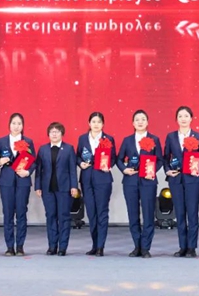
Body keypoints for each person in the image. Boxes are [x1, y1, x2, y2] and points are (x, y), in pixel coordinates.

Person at [116, 109, 163, 258]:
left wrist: (151, 171)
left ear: (147, 122)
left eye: (143, 119)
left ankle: (145, 247)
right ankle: (137, 246)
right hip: (130, 181)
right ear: (133, 123)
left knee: (148, 214)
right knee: (133, 214)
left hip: (148, 181)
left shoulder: (154, 139)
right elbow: (119, 159)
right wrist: (124, 169)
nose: (140, 122)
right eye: (137, 120)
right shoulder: (127, 140)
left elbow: (160, 160)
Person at [163, 106, 199, 257]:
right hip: (175, 179)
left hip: (192, 180)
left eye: (186, 116)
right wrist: (168, 170)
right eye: (180, 116)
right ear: (176, 119)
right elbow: (165, 157)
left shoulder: (198, 136)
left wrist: (197, 168)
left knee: (192, 213)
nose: (183, 119)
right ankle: (182, 246)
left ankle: (192, 247)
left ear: (191, 118)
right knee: (180, 213)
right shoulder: (171, 136)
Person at [0, 113, 36, 256]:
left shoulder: (28, 141)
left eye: (19, 124)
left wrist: (28, 172)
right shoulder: (2, 141)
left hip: (23, 181)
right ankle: (9, 247)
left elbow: (34, 161)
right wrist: (0, 162)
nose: (16, 126)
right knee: (8, 213)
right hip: (6, 182)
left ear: (23, 126)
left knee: (22, 213)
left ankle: (20, 246)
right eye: (14, 123)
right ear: (9, 125)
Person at [35, 122, 79, 256]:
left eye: (57, 131)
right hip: (47, 189)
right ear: (48, 134)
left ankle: (62, 247)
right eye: (52, 132)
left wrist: (74, 186)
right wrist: (37, 186)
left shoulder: (69, 149)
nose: (54, 134)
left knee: (64, 217)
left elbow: (72, 169)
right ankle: (52, 246)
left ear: (62, 133)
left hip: (64, 188)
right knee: (50, 216)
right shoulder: (43, 149)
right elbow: (38, 170)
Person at [76, 112, 116, 256]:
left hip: (103, 179)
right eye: (93, 121)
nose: (96, 124)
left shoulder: (108, 139)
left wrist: (108, 165)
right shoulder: (82, 138)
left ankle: (100, 246)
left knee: (102, 212)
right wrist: (80, 163)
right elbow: (78, 156)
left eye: (99, 122)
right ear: (89, 123)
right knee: (91, 213)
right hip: (86, 179)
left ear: (103, 124)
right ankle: (94, 244)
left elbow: (113, 158)